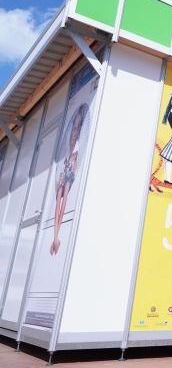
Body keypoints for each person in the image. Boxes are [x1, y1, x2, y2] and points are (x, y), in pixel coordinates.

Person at [51, 105, 87, 255]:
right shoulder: (68, 147)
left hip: (70, 174)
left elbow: (74, 164)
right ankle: (55, 237)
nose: (75, 132)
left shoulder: (78, 147)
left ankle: (55, 237)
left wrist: (71, 170)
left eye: (78, 128)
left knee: (64, 192)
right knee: (58, 196)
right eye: (74, 128)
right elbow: (65, 163)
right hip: (66, 172)